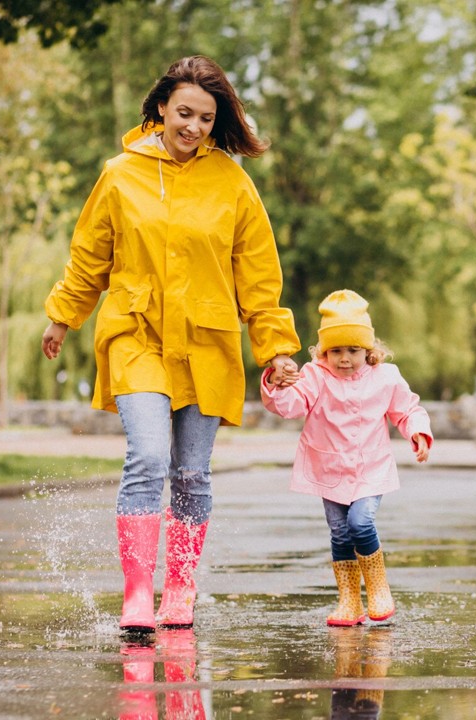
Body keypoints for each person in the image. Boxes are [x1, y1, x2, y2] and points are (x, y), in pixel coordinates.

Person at [41, 56, 300, 634]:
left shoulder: (232, 181)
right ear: (160, 107)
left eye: (206, 118)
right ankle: (138, 596)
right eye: (184, 113)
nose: (194, 127)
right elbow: (90, 254)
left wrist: (276, 346)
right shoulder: (119, 174)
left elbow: (257, 272)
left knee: (190, 473)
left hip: (207, 341)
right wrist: (63, 315)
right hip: (135, 334)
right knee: (150, 457)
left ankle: (179, 589)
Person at [261, 289, 432, 626]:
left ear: (369, 349)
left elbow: (406, 409)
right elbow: (289, 405)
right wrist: (276, 384)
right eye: (335, 350)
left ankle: (378, 586)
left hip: (371, 468)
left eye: (353, 350)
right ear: (323, 351)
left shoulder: (386, 377)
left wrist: (417, 430)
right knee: (339, 533)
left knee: (360, 523)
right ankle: (349, 601)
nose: (344, 358)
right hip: (329, 469)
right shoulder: (314, 377)